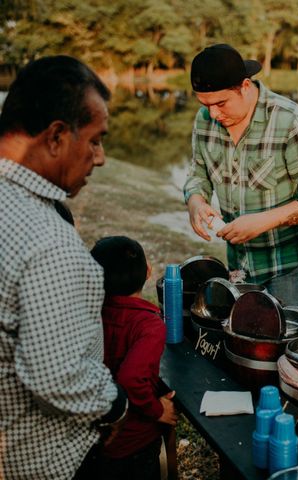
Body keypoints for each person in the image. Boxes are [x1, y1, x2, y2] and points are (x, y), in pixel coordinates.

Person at [0, 56, 128, 479]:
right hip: (39, 461)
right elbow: (56, 376)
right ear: (55, 136)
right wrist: (113, 406)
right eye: (94, 140)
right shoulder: (49, 243)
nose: (102, 157)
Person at [184, 44, 298, 309]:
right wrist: (196, 201)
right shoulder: (205, 120)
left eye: (220, 103)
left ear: (245, 86)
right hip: (240, 264)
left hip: (289, 269)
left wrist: (264, 221)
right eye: (205, 104)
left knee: (285, 348)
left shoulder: (291, 121)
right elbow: (198, 173)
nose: (213, 114)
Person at [90, 236, 177, 479]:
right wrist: (157, 408)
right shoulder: (150, 324)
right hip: (133, 444)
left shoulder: (91, 311)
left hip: (94, 438)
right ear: (148, 272)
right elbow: (130, 378)